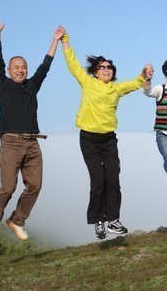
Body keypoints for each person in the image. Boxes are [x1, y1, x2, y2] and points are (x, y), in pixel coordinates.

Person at [62, 28, 152, 240]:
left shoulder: (116, 89)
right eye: (102, 67)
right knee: (98, 180)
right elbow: (73, 64)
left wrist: (144, 74)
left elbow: (134, 84)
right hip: (89, 139)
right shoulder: (88, 82)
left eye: (109, 67)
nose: (106, 69)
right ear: (95, 71)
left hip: (109, 140)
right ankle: (98, 221)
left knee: (113, 179)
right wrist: (64, 40)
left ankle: (112, 220)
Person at [0, 17, 64, 245]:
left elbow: (45, 66)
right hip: (10, 142)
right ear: (10, 71)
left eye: (23, 68)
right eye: (16, 68)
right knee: (8, 187)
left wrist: (55, 41)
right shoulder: (2, 84)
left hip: (33, 142)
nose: (20, 71)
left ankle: (17, 220)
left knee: (35, 186)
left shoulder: (32, 85)